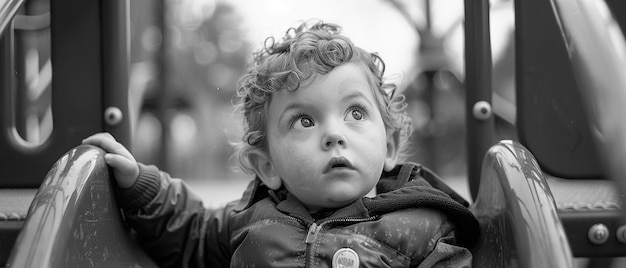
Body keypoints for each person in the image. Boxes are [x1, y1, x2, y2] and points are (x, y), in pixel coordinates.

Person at [83, 20, 479, 268]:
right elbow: (189, 233)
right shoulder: (252, 221)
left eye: (355, 113)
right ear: (268, 166)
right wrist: (139, 186)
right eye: (304, 121)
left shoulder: (423, 228)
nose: (334, 134)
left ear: (390, 144)